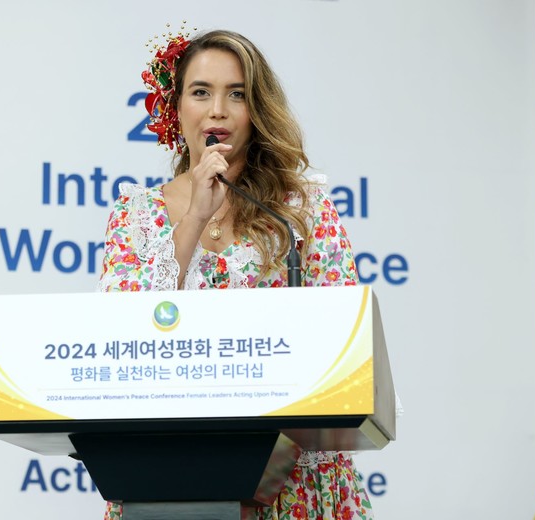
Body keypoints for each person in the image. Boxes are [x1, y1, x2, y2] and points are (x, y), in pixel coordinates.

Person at [99, 29, 373, 520]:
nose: (218, 110)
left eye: (238, 94)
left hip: (291, 480)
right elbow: (120, 337)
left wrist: (264, 476)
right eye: (201, 92)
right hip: (168, 472)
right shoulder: (135, 213)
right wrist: (195, 217)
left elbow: (342, 346)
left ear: (256, 109)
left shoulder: (301, 210)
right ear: (175, 107)